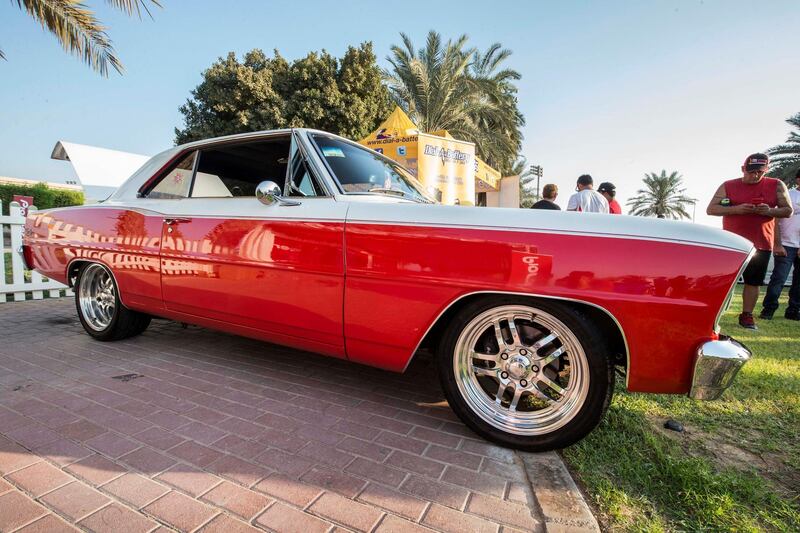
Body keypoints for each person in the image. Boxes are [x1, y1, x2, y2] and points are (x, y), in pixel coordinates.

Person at [706, 153, 793, 329]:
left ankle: (746, 315)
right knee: (725, 280)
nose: (754, 175)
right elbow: (711, 209)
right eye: (750, 171)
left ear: (766, 170)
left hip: (761, 242)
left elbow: (788, 211)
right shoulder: (728, 185)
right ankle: (713, 314)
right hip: (732, 243)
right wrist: (737, 209)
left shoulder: (776, 185)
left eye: (759, 172)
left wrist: (768, 211)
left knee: (753, 281)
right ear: (743, 169)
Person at [760, 168, 800, 320]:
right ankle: (768, 310)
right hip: (786, 245)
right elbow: (775, 219)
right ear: (798, 179)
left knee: (799, 282)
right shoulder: (788, 195)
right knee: (779, 278)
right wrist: (777, 244)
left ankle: (793, 311)